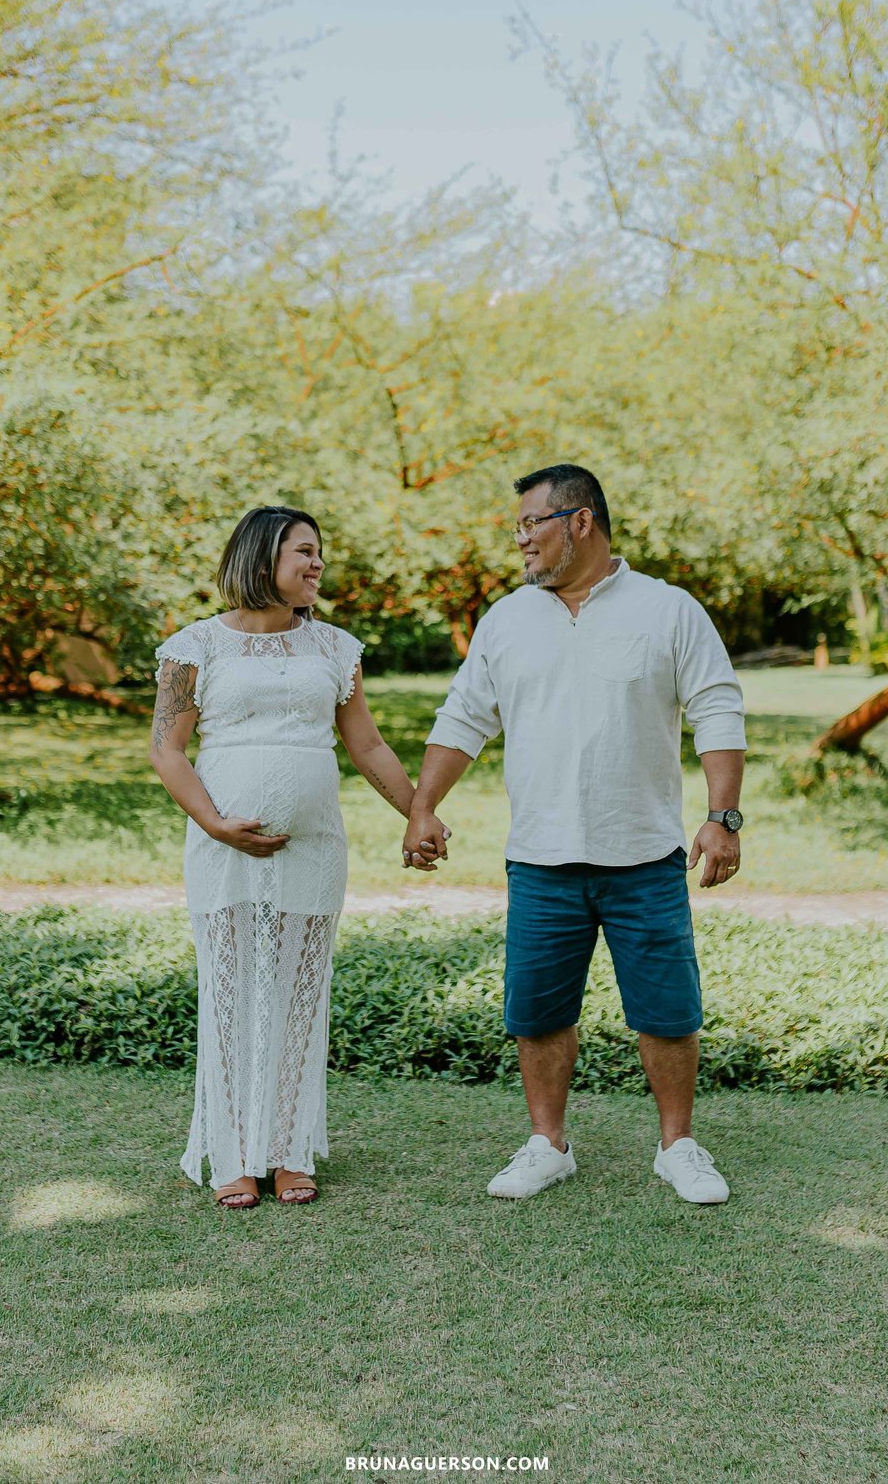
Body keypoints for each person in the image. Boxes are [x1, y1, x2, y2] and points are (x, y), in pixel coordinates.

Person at [401, 464, 746, 1205]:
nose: (520, 540)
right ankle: (546, 1145)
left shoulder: (668, 610)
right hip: (541, 857)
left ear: (579, 522)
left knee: (668, 1009)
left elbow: (717, 709)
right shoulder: (507, 620)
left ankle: (678, 1147)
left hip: (645, 855)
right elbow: (464, 718)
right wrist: (423, 806)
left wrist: (723, 817)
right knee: (538, 1008)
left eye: (532, 524)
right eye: (519, 527)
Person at [151, 504, 448, 1209]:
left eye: (320, 554)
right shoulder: (194, 647)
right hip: (222, 848)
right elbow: (167, 750)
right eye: (305, 552)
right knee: (229, 996)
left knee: (299, 999)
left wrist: (418, 812)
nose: (318, 565)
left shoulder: (335, 648)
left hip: (314, 850)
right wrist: (217, 824)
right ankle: (230, 1155)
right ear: (261, 560)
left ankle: (287, 1151)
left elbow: (366, 744)